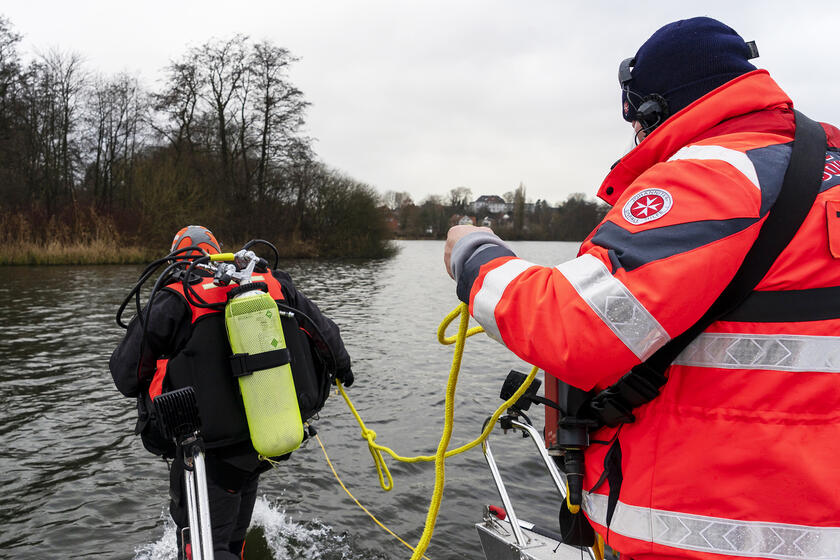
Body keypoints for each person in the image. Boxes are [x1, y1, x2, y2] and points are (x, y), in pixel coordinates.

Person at [444, 17, 840, 560]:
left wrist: (474, 254)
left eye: (637, 121)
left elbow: (573, 324)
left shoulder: (717, 175)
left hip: (716, 530)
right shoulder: (824, 173)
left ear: (652, 109)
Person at [110, 225, 354, 559]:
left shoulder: (178, 297)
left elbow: (125, 376)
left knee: (205, 549)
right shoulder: (270, 284)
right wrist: (344, 370)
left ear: (177, 258)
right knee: (231, 537)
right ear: (216, 253)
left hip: (208, 452)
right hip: (262, 437)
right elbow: (329, 339)